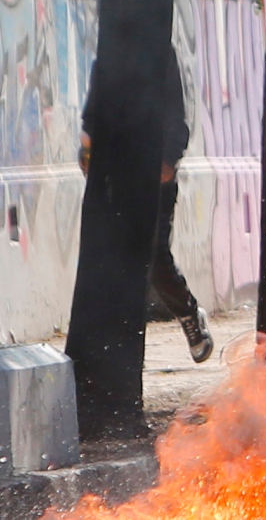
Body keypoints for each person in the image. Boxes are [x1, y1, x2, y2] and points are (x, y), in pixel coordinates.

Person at [79, 47, 215, 364]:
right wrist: (86, 147)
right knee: (111, 259)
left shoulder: (159, 53)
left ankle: (189, 314)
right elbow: (92, 112)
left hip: (153, 172)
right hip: (113, 172)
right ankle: (111, 344)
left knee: (154, 257)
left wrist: (169, 159)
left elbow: (176, 116)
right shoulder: (108, 51)